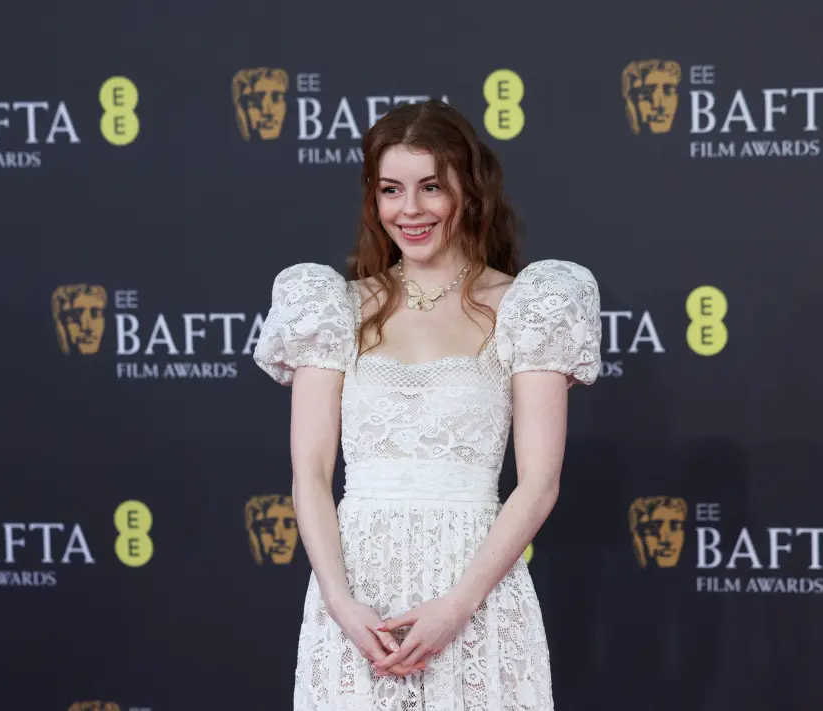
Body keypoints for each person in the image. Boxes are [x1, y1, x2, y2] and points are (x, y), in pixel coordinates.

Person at [253, 99, 602, 711]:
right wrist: (340, 601)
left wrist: (456, 607)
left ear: (470, 189)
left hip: (476, 595)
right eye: (391, 189)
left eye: (430, 187)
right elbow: (310, 473)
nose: (408, 210)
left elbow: (540, 482)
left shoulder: (528, 306)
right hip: (357, 600)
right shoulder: (333, 308)